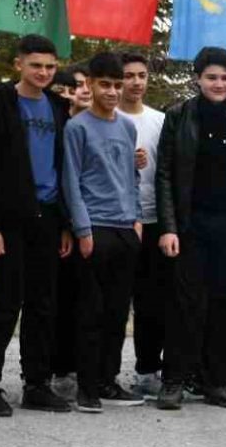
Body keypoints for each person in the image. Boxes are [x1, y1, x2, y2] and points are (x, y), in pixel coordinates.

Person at [155, 46, 226, 411]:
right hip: (191, 226)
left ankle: (219, 381)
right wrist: (169, 227)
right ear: (198, 79)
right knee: (186, 305)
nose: (219, 84)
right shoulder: (178, 116)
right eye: (211, 77)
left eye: (225, 77)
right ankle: (174, 379)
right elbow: (164, 174)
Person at [0, 34, 72, 416]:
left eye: (50, 66)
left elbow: (64, 166)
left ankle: (36, 383)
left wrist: (65, 223)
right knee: (4, 303)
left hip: (49, 216)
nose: (43, 72)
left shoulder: (58, 107)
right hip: (10, 219)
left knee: (43, 304)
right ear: (18, 65)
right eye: (36, 65)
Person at [60, 53, 143, 413]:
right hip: (95, 228)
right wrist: (82, 228)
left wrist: (136, 219)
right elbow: (71, 181)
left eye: (117, 85)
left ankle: (109, 380)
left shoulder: (127, 127)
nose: (112, 91)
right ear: (91, 84)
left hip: (126, 228)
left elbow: (131, 177)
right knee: (90, 312)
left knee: (117, 312)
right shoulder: (77, 128)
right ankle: (87, 386)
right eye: (105, 84)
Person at [118, 52, 169, 398]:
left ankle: (148, 369)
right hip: (118, 220)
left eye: (141, 75)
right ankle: (101, 372)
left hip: (154, 219)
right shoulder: (107, 118)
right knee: (114, 300)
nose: (136, 82)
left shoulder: (160, 121)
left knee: (152, 302)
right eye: (128, 76)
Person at [49, 65, 91, 401]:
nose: (79, 92)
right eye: (71, 87)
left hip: (97, 223)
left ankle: (88, 369)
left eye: (82, 86)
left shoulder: (103, 125)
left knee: (87, 301)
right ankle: (58, 368)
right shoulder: (58, 127)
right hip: (61, 223)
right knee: (59, 300)